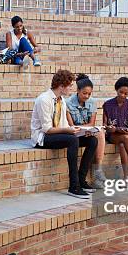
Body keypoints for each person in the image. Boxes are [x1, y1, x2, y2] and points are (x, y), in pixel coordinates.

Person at [31, 70, 97, 198]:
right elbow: (47, 129)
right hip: (42, 138)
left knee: (92, 140)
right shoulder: (44, 99)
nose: (71, 88)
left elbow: (65, 126)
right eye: (70, 85)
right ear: (61, 86)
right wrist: (69, 131)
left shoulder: (61, 100)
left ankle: (81, 180)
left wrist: (82, 131)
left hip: (57, 134)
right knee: (72, 140)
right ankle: (74, 186)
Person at [65, 74, 107, 189]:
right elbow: (71, 125)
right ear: (78, 90)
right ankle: (96, 171)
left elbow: (91, 124)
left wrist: (87, 129)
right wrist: (84, 128)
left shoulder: (92, 102)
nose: (87, 96)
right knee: (94, 137)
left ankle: (88, 175)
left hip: (85, 132)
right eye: (84, 93)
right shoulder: (68, 103)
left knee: (96, 138)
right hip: (73, 134)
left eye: (89, 94)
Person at [102, 77, 128, 180]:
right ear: (116, 90)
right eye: (121, 92)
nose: (123, 95)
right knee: (125, 139)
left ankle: (126, 177)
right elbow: (105, 125)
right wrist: (111, 128)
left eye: (126, 94)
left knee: (124, 143)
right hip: (113, 134)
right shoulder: (107, 104)